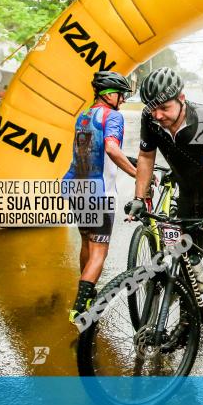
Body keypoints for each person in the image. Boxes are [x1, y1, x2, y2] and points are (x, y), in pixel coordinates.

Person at [126, 67, 203, 309]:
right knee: (187, 249)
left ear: (181, 99)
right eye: (152, 108)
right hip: (188, 187)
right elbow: (146, 157)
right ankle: (189, 314)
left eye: (164, 108)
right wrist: (139, 198)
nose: (157, 115)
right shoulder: (150, 117)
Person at [64, 71, 137, 324]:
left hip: (75, 186)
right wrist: (138, 174)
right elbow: (110, 148)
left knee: (86, 241)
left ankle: (86, 290)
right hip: (99, 192)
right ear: (109, 95)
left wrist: (127, 161)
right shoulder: (113, 116)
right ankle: (79, 307)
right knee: (99, 252)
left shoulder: (83, 116)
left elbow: (93, 149)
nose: (123, 100)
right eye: (121, 95)